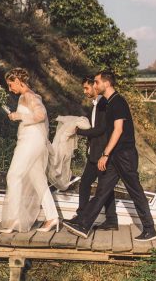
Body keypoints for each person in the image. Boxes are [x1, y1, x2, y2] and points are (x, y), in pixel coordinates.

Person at [64, 71, 156, 241]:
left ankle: (150, 229)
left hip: (125, 155)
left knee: (135, 191)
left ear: (106, 83)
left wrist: (105, 154)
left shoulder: (118, 102)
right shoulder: (108, 103)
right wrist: (107, 154)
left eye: (97, 82)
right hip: (115, 155)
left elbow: (118, 129)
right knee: (102, 191)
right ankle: (84, 225)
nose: (95, 85)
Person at [0, 68, 59, 234]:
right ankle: (52, 217)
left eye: (11, 85)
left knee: (13, 176)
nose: (10, 89)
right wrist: (18, 115)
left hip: (30, 142)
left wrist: (18, 116)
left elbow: (40, 115)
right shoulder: (28, 96)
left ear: (19, 81)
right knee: (38, 179)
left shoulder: (28, 96)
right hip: (32, 141)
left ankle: (15, 218)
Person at [66, 76, 118, 231]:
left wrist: (79, 131)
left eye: (87, 88)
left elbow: (101, 129)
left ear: (96, 87)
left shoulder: (104, 104)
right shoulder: (95, 105)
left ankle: (101, 219)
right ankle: (108, 219)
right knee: (90, 185)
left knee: (101, 188)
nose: (85, 91)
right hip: (93, 153)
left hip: (102, 153)